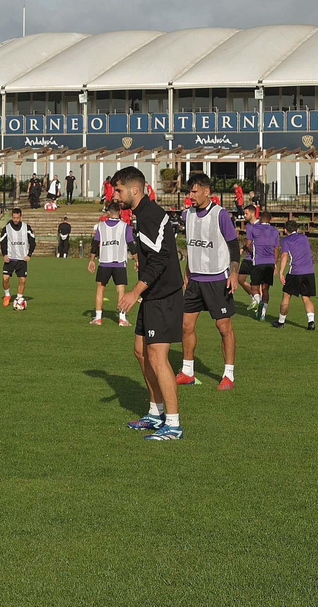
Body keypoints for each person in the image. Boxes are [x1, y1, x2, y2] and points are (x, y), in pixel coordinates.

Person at [114, 167, 186, 441]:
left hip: (163, 295)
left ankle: (174, 424)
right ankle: (155, 413)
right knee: (140, 352)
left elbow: (161, 258)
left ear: (135, 189)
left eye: (119, 190)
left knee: (157, 357)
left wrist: (134, 292)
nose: (116, 196)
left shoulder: (149, 215)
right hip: (152, 295)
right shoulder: (142, 214)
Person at [179, 174, 240, 388]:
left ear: (206, 191)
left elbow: (234, 245)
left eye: (194, 191)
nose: (190, 196)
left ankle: (228, 375)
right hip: (195, 279)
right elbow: (191, 246)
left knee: (223, 327)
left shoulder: (220, 215)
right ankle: (187, 371)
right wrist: (187, 271)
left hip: (217, 279)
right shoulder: (187, 215)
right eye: (189, 192)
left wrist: (234, 272)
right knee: (186, 325)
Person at [89, 211, 135, 326]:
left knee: (100, 289)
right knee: (121, 290)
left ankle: (98, 318)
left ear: (108, 213)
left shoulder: (101, 226)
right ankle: (122, 319)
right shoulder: (125, 226)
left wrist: (91, 260)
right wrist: (137, 260)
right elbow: (131, 244)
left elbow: (95, 244)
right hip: (119, 263)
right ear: (119, 213)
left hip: (104, 262)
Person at [273, 219, 316, 330]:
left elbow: (284, 255)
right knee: (306, 298)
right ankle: (311, 322)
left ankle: (281, 322)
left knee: (286, 296)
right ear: (297, 229)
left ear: (285, 230)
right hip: (309, 272)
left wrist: (281, 272)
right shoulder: (304, 237)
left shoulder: (286, 240)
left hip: (295, 272)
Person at [246, 210, 281, 321]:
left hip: (258, 262)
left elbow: (248, 244)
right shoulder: (275, 231)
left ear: (260, 219)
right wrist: (275, 263)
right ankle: (263, 315)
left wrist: (253, 253)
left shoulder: (254, 229)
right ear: (270, 220)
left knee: (254, 287)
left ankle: (259, 301)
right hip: (270, 263)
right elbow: (276, 248)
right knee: (266, 289)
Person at [0, 208, 36, 309]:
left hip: (22, 259)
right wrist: (4, 254)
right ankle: (7, 295)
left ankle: (19, 298)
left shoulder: (26, 227)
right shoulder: (6, 228)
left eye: (17, 218)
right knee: (5, 279)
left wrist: (29, 254)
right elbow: (2, 242)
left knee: (22, 281)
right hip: (10, 259)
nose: (15, 220)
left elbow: (32, 241)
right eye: (14, 217)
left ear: (21, 217)